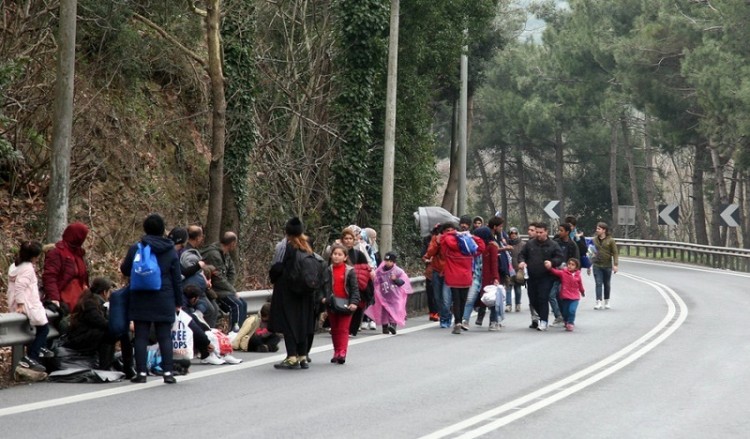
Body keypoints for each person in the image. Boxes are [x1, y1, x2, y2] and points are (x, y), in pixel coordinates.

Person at [120, 213, 183, 384]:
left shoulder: (137, 248)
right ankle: (168, 372)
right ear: (163, 230)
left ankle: (141, 373)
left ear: (145, 229)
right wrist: (179, 301)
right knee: (164, 336)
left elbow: (125, 269)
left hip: (141, 296)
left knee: (141, 336)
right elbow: (177, 278)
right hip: (164, 297)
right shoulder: (170, 250)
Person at [269, 217, 318, 370]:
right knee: (302, 322)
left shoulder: (286, 246)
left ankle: (291, 356)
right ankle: (303, 356)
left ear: (287, 232)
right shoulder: (308, 244)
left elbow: (278, 267)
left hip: (288, 291)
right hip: (306, 291)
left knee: (289, 323)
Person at [65, 277, 135, 374]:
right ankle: (107, 367)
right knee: (110, 334)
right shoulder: (90, 303)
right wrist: (124, 326)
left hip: (89, 334)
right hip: (79, 338)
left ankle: (126, 368)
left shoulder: (96, 302)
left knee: (119, 333)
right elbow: (101, 322)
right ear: (104, 292)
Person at [8, 240, 52, 373]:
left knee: (38, 330)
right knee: (44, 329)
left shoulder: (16, 266)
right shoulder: (27, 268)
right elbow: (20, 287)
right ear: (34, 257)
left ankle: (39, 348)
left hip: (23, 302)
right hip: (28, 304)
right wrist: (20, 304)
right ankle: (31, 355)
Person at [440, 222, 485, 335]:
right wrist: (471, 236)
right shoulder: (469, 250)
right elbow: (482, 247)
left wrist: (454, 233)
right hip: (466, 277)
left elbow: (443, 238)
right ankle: (460, 320)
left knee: (456, 300)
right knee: (463, 300)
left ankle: (457, 322)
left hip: (453, 277)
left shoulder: (449, 249)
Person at [518, 222, 563, 331]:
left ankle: (544, 321)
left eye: (541, 232)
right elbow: (522, 255)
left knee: (543, 298)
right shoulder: (530, 244)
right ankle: (540, 316)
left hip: (546, 276)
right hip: (531, 276)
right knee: (533, 299)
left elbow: (559, 257)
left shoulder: (553, 245)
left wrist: (552, 263)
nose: (538, 234)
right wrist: (522, 262)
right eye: (537, 232)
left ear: (546, 232)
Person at [321, 243, 359, 364]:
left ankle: (342, 352)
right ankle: (336, 352)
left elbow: (354, 289)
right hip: (332, 303)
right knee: (335, 329)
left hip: (346, 304)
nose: (336, 256)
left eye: (339, 254)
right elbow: (323, 287)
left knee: (343, 329)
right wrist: (323, 298)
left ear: (345, 257)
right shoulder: (327, 270)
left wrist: (354, 302)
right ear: (331, 256)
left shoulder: (350, 271)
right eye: (334, 254)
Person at [201, 231, 247, 330]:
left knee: (243, 303)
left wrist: (229, 288)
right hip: (213, 288)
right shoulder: (214, 254)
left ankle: (241, 334)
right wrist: (232, 290)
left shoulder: (225, 254)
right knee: (236, 305)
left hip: (223, 288)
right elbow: (218, 278)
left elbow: (231, 271)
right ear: (232, 243)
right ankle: (234, 334)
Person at [42, 222, 90, 312]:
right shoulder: (57, 252)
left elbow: (83, 278)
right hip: (65, 299)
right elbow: (50, 276)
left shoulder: (78, 254)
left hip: (80, 299)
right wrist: (54, 298)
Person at [462, 226, 502, 331]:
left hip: (488, 278)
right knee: (470, 299)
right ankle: (464, 320)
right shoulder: (473, 247)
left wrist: (495, 278)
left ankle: (493, 322)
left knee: (491, 300)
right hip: (475, 277)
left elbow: (494, 264)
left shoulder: (492, 247)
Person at [365, 252, 413, 334]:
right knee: (384, 311)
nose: (388, 263)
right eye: (386, 261)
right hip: (384, 294)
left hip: (395, 295)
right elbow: (376, 282)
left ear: (394, 262)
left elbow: (403, 282)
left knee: (396, 309)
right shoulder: (380, 271)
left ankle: (393, 326)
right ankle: (385, 327)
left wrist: (395, 280)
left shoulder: (398, 271)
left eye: (390, 261)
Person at [422, 223, 452, 328]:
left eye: (451, 230)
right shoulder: (436, 239)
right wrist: (438, 243)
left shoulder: (455, 240)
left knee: (446, 296)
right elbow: (429, 253)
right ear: (442, 231)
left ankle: (445, 317)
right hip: (436, 270)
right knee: (437, 296)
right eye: (447, 230)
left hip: (449, 271)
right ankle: (445, 314)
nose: (449, 232)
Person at [550, 223, 580, 326]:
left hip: (567, 276)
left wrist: (573, 273)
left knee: (563, 296)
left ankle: (566, 317)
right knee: (552, 295)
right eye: (559, 230)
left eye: (561, 230)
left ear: (567, 232)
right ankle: (559, 316)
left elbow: (576, 261)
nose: (559, 232)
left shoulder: (572, 245)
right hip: (555, 273)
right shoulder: (555, 243)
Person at [545, 258, 585, 331]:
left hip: (575, 297)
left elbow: (580, 285)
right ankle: (566, 321)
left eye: (572, 265)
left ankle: (571, 322)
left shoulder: (577, 275)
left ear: (576, 267)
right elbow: (555, 272)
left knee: (572, 310)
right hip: (565, 296)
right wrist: (549, 267)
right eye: (569, 264)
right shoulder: (563, 273)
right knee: (565, 312)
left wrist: (582, 291)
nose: (570, 266)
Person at [591, 222, 619, 309]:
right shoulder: (594, 240)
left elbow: (615, 253)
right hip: (597, 265)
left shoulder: (610, 240)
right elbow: (590, 252)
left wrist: (615, 265)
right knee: (598, 283)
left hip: (607, 266)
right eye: (597, 228)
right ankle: (598, 302)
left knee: (607, 284)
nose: (597, 230)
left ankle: (607, 301)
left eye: (599, 229)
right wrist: (588, 265)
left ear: (604, 230)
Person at [507, 227, 524, 313]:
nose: (513, 235)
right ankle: (508, 305)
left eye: (515, 233)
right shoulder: (506, 243)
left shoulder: (522, 244)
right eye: (511, 233)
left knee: (517, 288)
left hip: (518, 268)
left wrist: (522, 264)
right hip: (509, 268)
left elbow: (524, 256)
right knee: (508, 287)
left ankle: (518, 304)